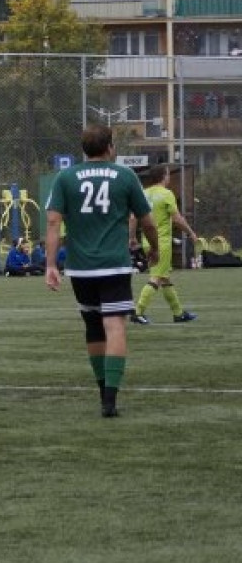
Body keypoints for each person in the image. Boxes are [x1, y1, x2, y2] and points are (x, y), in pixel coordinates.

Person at [45, 124, 159, 418]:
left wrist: (50, 264)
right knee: (116, 326)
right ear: (110, 147)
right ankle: (110, 399)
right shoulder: (125, 175)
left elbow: (54, 223)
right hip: (115, 265)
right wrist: (154, 248)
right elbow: (147, 221)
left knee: (94, 327)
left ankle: (101, 392)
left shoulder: (65, 177)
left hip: (81, 268)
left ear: (84, 149)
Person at [130, 164, 199, 325]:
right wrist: (190, 232)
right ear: (163, 176)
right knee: (156, 277)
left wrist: (132, 237)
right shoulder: (167, 194)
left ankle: (178, 313)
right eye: (168, 175)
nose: (169, 177)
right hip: (162, 243)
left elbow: (133, 217)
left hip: (147, 241)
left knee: (165, 278)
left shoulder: (144, 194)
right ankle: (138, 312)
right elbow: (176, 219)